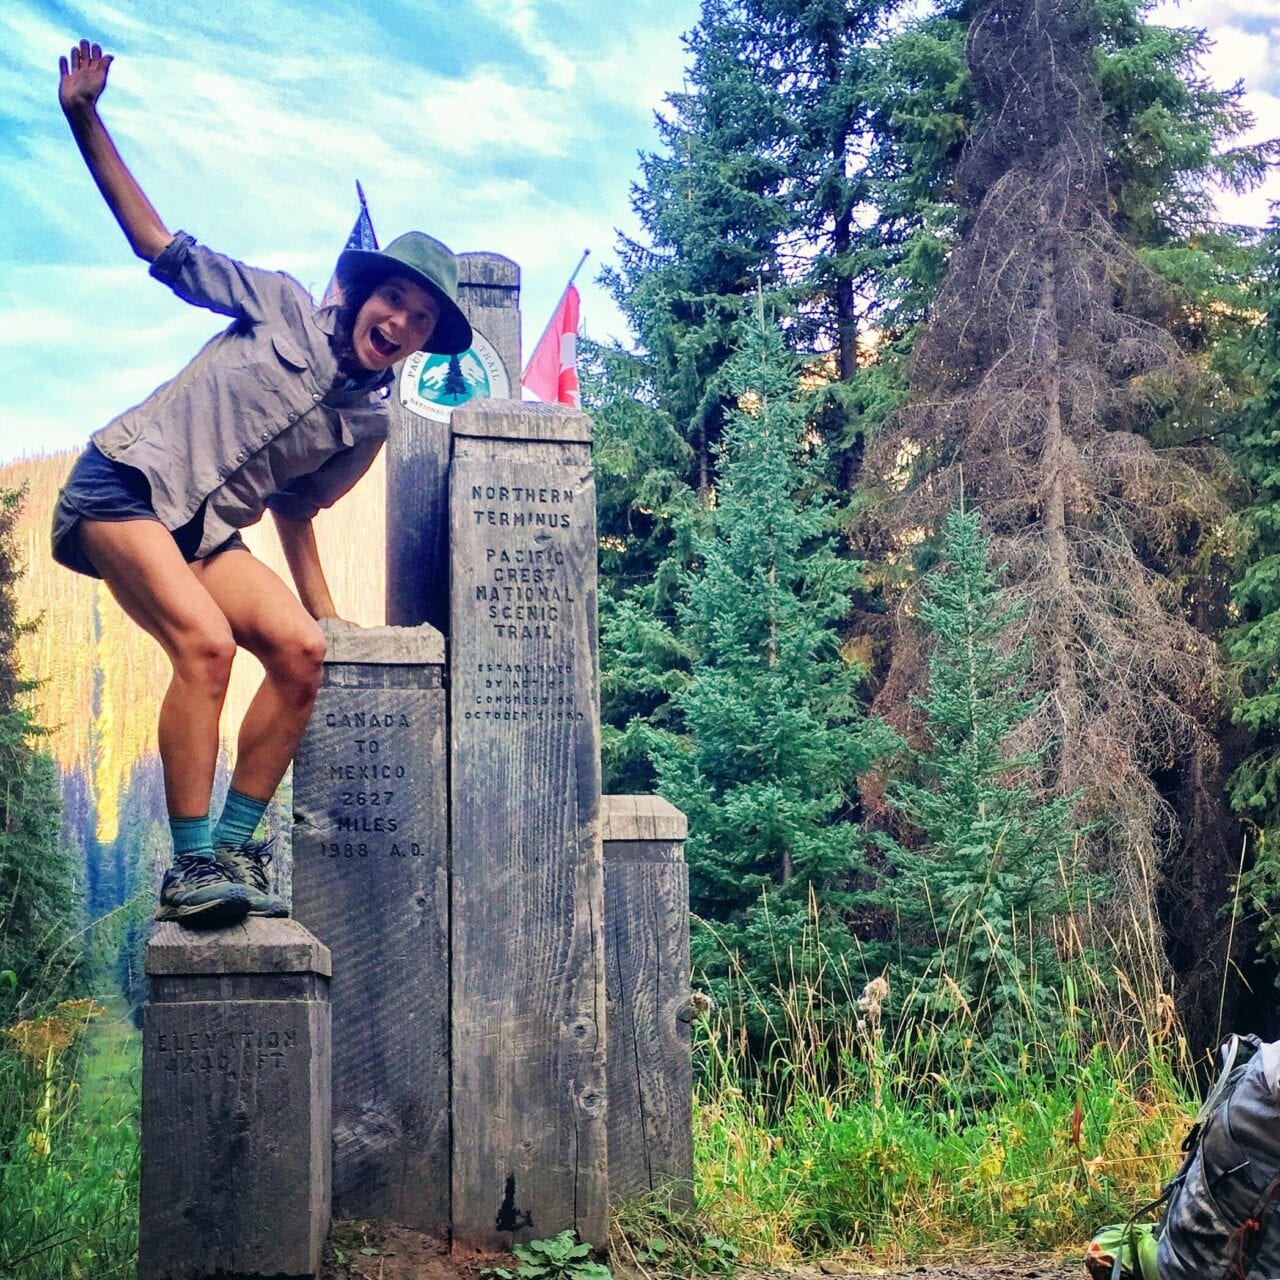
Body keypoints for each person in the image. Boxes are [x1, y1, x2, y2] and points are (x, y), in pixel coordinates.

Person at [51, 40, 472, 928]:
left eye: (421, 319)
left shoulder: (370, 423)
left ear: (424, 340)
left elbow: (298, 506)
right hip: (126, 486)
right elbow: (155, 244)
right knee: (204, 646)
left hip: (205, 536)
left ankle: (240, 842)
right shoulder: (276, 301)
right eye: (393, 300)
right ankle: (192, 865)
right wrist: (86, 119)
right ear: (363, 295)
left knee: (300, 654)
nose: (400, 322)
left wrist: (321, 611)